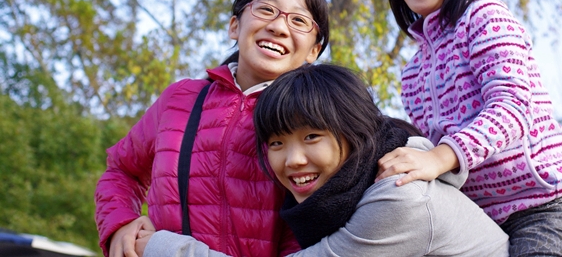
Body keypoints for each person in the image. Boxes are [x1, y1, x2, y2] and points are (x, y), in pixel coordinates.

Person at [378, 0, 562, 256]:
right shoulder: (413, 71)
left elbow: (512, 108)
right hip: (474, 216)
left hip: (540, 207)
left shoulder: (483, 17)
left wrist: (439, 157)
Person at [137, 64, 509, 257]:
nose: (293, 160)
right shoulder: (344, 193)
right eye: (277, 143)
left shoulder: (398, 197)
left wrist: (157, 247)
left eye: (312, 137)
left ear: (353, 133)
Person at [94, 0, 330, 257]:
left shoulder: (322, 117)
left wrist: (405, 151)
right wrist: (121, 224)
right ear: (235, 25)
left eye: (298, 20)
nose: (279, 27)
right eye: (266, 9)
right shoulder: (180, 99)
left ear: (313, 51)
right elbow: (122, 171)